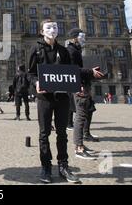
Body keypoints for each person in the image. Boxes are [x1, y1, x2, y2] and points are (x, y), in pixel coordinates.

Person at [28, 19, 80, 184]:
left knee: (62, 133)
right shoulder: (36, 49)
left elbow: (72, 72)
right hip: (45, 98)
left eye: (55, 27)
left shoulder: (64, 51)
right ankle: (46, 167)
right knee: (44, 134)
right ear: (42, 31)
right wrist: (36, 83)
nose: (52, 30)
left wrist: (80, 81)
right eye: (48, 27)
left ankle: (63, 166)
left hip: (62, 97)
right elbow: (30, 73)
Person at [66, 28, 104, 160]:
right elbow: (72, 70)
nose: (84, 39)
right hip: (79, 86)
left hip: (81, 83)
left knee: (82, 115)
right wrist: (90, 72)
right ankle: (78, 148)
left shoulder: (75, 50)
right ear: (75, 37)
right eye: (82, 37)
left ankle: (81, 142)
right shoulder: (71, 51)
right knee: (80, 116)